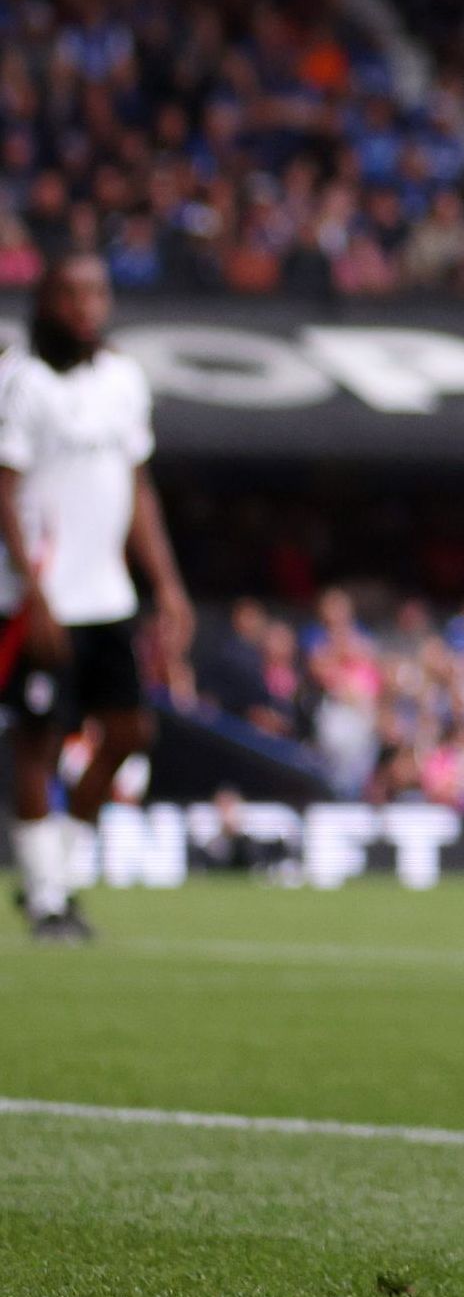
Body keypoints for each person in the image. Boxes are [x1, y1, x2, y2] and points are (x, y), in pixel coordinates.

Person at [3, 257, 186, 944]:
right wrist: (33, 594)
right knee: (38, 740)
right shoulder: (21, 381)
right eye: (71, 294)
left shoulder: (123, 380)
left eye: (96, 293)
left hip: (106, 594)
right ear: (46, 299)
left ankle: (54, 875)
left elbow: (138, 486)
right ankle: (49, 901)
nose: (85, 306)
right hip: (38, 597)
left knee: (131, 732)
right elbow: (4, 492)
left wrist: (166, 583)